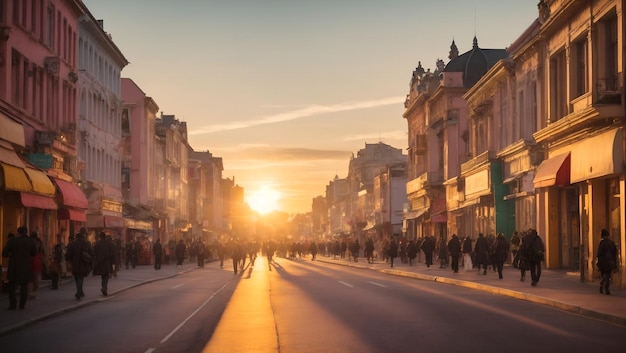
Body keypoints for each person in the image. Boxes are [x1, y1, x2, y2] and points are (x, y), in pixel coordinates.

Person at [2, 228, 36, 310]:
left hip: (13, 266)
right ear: (26, 232)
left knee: (11, 286)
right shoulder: (31, 241)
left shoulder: (12, 241)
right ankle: (22, 305)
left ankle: (13, 304)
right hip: (25, 266)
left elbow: (4, 253)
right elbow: (34, 253)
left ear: (18, 233)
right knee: (24, 286)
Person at [65, 228, 93, 300]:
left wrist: (68, 261)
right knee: (81, 278)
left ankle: (80, 291)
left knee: (77, 278)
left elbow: (68, 255)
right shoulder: (86, 243)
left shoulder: (72, 244)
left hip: (74, 264)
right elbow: (91, 253)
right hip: (83, 264)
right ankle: (79, 292)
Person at [93, 232, 115, 296]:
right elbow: (112, 253)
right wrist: (113, 262)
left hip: (100, 263)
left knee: (103, 276)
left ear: (100, 237)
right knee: (106, 276)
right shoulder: (109, 243)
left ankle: (104, 287)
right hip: (107, 262)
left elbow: (94, 252)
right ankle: (104, 287)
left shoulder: (97, 244)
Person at [596, 229, 618, 295]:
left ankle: (604, 286)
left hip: (603, 261)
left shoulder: (602, 243)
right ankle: (605, 287)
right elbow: (615, 252)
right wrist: (615, 262)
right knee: (607, 274)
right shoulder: (611, 243)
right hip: (610, 261)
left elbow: (599, 253)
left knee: (606, 274)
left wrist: (599, 262)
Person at [28, 232, 44, 300]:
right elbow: (43, 252)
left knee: (30, 279)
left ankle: (31, 293)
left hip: (30, 262)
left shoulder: (29, 243)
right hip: (37, 262)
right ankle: (31, 293)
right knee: (36, 279)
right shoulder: (39, 243)